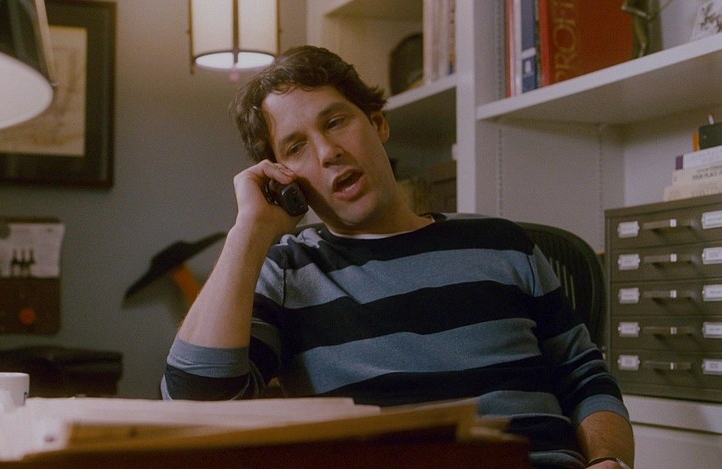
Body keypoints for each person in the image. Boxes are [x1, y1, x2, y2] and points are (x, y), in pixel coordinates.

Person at [162, 45, 634, 469]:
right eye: (296, 146)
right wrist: (249, 231)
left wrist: (608, 459)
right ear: (281, 177)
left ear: (378, 123)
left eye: (335, 122)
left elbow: (585, 379)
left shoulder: (504, 243)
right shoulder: (291, 272)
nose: (327, 152)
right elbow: (195, 403)